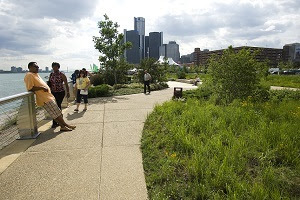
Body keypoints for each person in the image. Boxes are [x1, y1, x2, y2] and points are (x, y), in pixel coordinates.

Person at [24, 62, 76, 131]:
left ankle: (63, 126)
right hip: (44, 98)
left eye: (38, 67)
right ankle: (64, 126)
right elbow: (30, 88)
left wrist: (68, 91)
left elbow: (66, 82)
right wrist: (42, 88)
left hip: (51, 96)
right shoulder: (29, 75)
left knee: (57, 112)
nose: (37, 68)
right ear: (30, 67)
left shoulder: (35, 74)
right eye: (35, 67)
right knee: (56, 113)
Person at [48, 62, 70, 128]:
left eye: (55, 66)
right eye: (53, 66)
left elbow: (66, 84)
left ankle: (57, 122)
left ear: (58, 67)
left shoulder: (62, 74)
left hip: (60, 92)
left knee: (57, 106)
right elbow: (50, 83)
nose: (54, 68)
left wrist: (68, 92)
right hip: (53, 92)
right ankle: (59, 122)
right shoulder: (51, 74)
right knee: (55, 107)